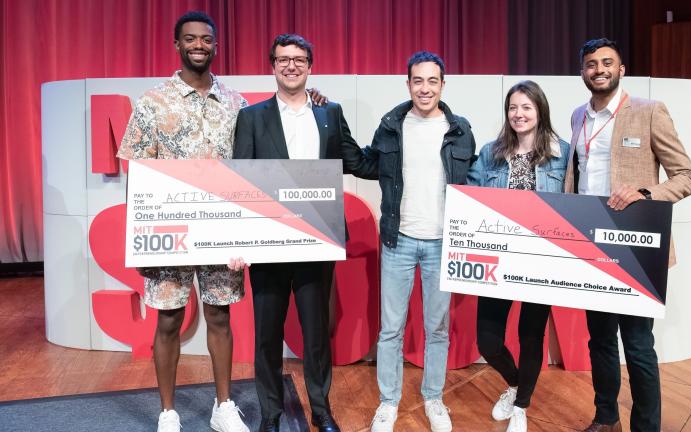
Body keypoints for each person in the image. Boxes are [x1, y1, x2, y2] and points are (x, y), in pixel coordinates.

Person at [230, 34, 375, 432]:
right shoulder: (252, 117)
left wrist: (400, 158)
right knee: (267, 336)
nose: (291, 66)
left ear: (311, 66)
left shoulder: (329, 113)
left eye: (299, 59)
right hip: (268, 242)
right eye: (283, 59)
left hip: (317, 237)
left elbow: (355, 160)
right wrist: (238, 240)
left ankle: (321, 411)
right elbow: (241, 179)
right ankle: (271, 414)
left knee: (315, 334)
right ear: (272, 65)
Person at [117, 11, 250, 432]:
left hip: (220, 230)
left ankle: (223, 406)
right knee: (169, 319)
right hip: (169, 233)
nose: (198, 45)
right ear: (177, 45)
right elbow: (135, 173)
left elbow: (248, 171)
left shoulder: (236, 103)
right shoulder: (153, 102)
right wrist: (139, 240)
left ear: (215, 46)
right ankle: (168, 412)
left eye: (206, 39)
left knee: (219, 317)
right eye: (190, 39)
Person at [564, 38, 691, 432]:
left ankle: (645, 427)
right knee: (600, 341)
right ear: (583, 72)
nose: (599, 69)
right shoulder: (577, 116)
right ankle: (606, 418)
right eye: (591, 64)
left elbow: (687, 178)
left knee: (638, 347)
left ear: (621, 70)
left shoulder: (649, 111)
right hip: (591, 244)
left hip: (636, 248)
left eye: (607, 62)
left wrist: (646, 193)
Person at [366, 51, 476, 432]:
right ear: (408, 83)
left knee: (438, 329)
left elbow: (475, 180)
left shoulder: (460, 129)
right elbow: (367, 162)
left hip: (442, 244)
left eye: (432, 81)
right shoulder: (392, 125)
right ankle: (388, 401)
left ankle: (433, 398)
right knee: (391, 329)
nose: (425, 88)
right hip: (398, 239)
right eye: (418, 80)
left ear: (442, 85)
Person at [468, 80, 569, 432]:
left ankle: (522, 404)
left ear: (539, 110)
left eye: (526, 107)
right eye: (513, 107)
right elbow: (473, 198)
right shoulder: (490, 152)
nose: (519, 114)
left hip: (543, 261)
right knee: (489, 341)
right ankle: (514, 384)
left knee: (531, 336)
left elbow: (575, 203)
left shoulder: (563, 154)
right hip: (499, 258)